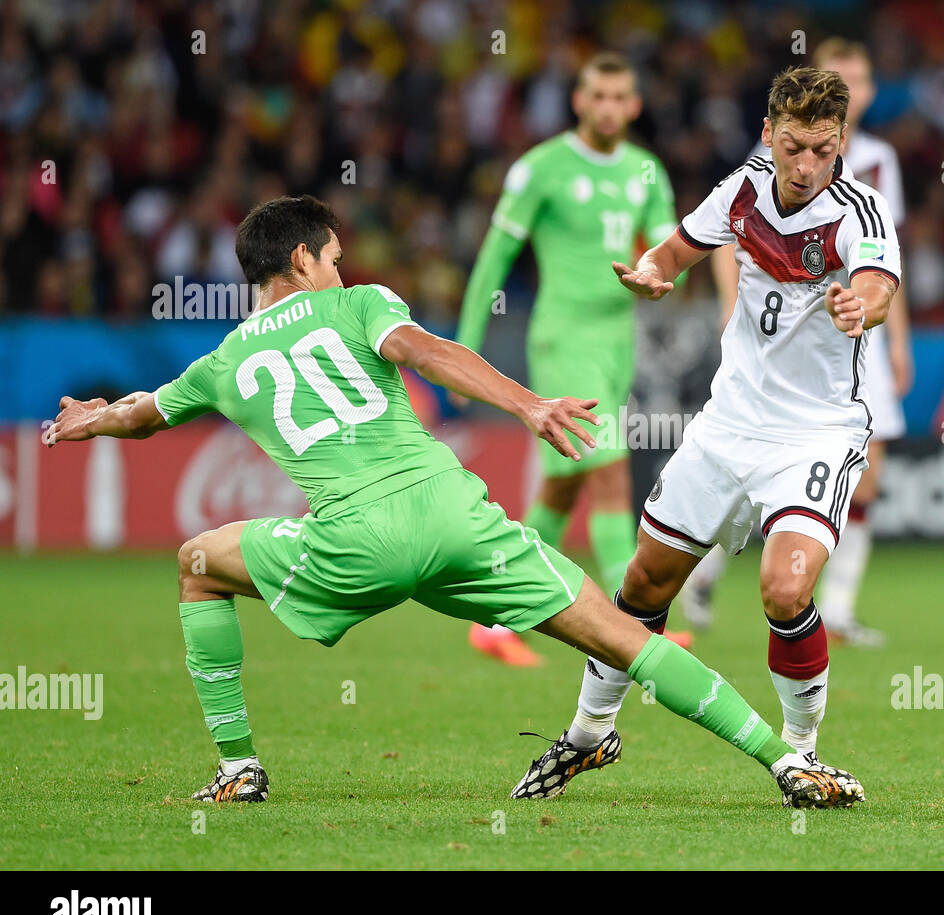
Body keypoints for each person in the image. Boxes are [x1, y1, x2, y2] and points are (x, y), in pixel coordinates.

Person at [41, 195, 864, 809]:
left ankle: (238, 769)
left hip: (350, 544)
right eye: (330, 257)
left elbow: (144, 414)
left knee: (196, 565)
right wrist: (529, 406)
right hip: (454, 516)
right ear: (300, 260)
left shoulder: (221, 361)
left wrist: (89, 422)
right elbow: (427, 354)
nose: (340, 269)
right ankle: (784, 761)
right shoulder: (360, 304)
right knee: (625, 637)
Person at [512, 66, 899, 800]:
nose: (807, 164)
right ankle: (590, 735)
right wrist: (655, 270)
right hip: (728, 425)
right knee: (642, 582)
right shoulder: (745, 187)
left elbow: (878, 283)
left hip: (816, 432)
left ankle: (801, 753)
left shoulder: (862, 211)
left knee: (785, 590)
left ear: (841, 141)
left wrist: (863, 307)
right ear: (768, 136)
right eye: (793, 147)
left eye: (822, 148)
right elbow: (678, 247)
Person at [455, 52, 690, 666]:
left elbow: (670, 254)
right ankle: (636, 625)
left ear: (634, 106)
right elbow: (492, 260)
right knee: (610, 473)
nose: (609, 107)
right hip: (563, 338)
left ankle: (494, 620)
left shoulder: (646, 170)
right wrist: (466, 348)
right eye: (598, 95)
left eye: (621, 97)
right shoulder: (541, 168)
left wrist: (656, 278)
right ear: (579, 102)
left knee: (561, 488)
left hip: (617, 342)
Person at [683, 38, 912, 650]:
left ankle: (836, 609)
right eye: (844, 77)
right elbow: (731, 237)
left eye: (863, 79)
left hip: (858, 330)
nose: (854, 89)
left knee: (866, 478)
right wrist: (731, 308)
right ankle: (703, 574)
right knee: (752, 476)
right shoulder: (771, 159)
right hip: (780, 337)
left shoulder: (879, 163)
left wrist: (896, 339)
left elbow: (889, 264)